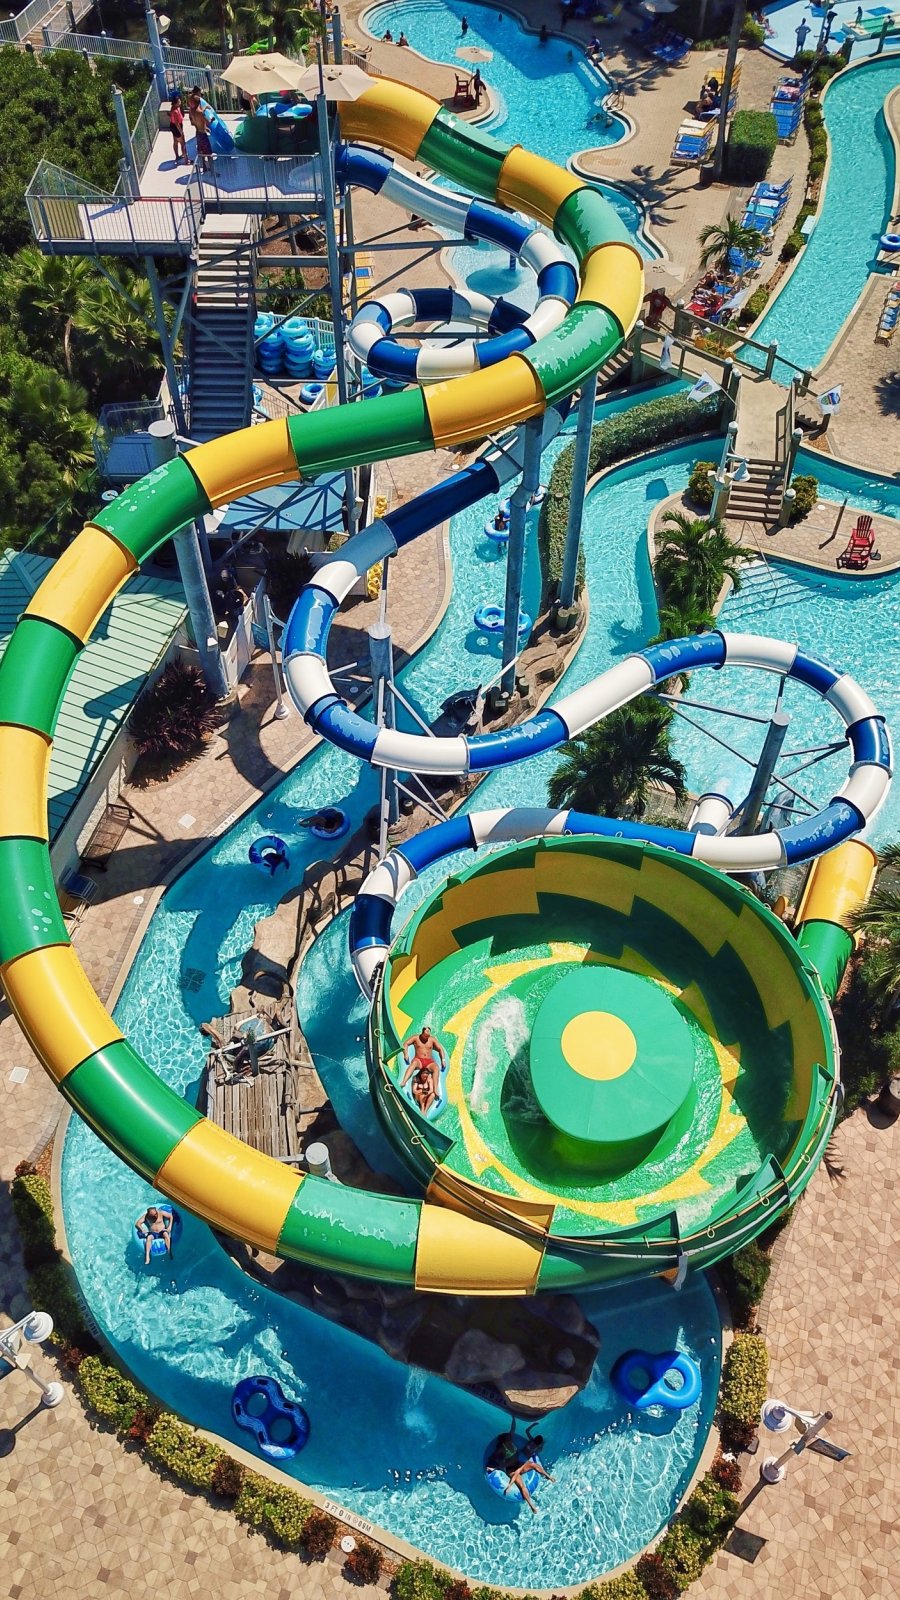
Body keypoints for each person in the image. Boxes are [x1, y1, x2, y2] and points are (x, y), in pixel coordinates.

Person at [505, 1435, 554, 1515]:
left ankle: (548, 1476)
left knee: (534, 1465)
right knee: (522, 1486)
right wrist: (509, 1486)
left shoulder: (528, 1453)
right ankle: (531, 1506)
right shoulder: (519, 1458)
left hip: (520, 1464)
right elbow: (516, 1473)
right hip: (512, 1470)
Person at [401, 1025, 446, 1111]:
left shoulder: (432, 1039)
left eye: (428, 1035)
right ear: (422, 1033)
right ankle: (404, 1081)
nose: (427, 1038)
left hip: (429, 1061)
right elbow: (405, 1044)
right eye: (425, 1036)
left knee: (436, 1068)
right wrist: (406, 1054)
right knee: (413, 1063)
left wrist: (443, 1060)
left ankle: (435, 1089)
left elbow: (440, 1049)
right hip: (419, 1060)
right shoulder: (416, 1038)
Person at [188, 87, 213, 174]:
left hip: (198, 133)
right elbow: (208, 122)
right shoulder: (201, 113)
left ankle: (205, 167)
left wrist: (204, 126)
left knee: (201, 152)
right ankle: (212, 172)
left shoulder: (192, 111)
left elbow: (195, 122)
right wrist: (211, 120)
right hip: (203, 135)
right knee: (209, 154)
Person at [169, 93, 188, 166]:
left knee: (175, 141)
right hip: (177, 126)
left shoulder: (174, 108)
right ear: (176, 102)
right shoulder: (175, 111)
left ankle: (177, 156)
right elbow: (177, 123)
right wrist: (181, 132)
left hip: (172, 125)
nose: (180, 101)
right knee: (182, 143)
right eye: (179, 100)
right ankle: (186, 160)